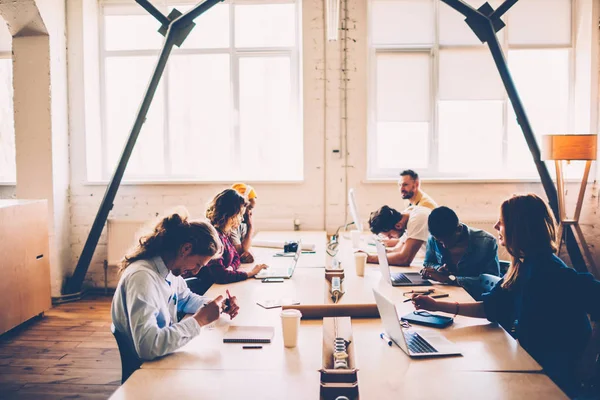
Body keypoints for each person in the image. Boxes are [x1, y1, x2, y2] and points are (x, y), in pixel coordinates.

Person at [411, 194, 600, 396]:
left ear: (519, 229)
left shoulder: (550, 271)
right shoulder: (523, 267)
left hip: (558, 376)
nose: (495, 226)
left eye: (501, 222)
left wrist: (588, 359)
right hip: (532, 364)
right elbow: (490, 306)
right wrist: (436, 306)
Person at [111, 212, 240, 361]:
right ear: (185, 249)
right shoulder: (142, 278)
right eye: (198, 264)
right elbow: (147, 346)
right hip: (148, 367)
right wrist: (198, 321)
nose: (196, 271)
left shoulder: (169, 268)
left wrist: (218, 305)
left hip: (164, 356)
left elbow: (185, 299)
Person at [421, 206, 500, 300]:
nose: (444, 246)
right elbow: (428, 262)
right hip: (445, 295)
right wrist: (438, 269)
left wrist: (450, 279)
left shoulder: (486, 242)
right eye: (440, 242)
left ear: (459, 229)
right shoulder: (433, 238)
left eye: (447, 240)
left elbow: (493, 281)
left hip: (475, 300)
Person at [194, 189, 268, 288]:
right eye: (240, 214)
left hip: (217, 286)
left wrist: (229, 268)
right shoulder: (213, 237)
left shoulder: (224, 233)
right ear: (230, 214)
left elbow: (236, 257)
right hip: (208, 289)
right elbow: (220, 276)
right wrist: (250, 273)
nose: (242, 219)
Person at [366, 205, 430, 266]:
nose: (389, 238)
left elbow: (404, 259)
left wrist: (370, 258)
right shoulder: (406, 217)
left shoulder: (418, 219)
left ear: (398, 226)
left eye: (389, 235)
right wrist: (368, 255)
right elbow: (397, 250)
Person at [231, 183, 257, 263]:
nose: (250, 212)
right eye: (249, 208)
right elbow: (241, 253)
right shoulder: (230, 225)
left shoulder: (241, 224)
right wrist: (250, 226)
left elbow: (246, 249)